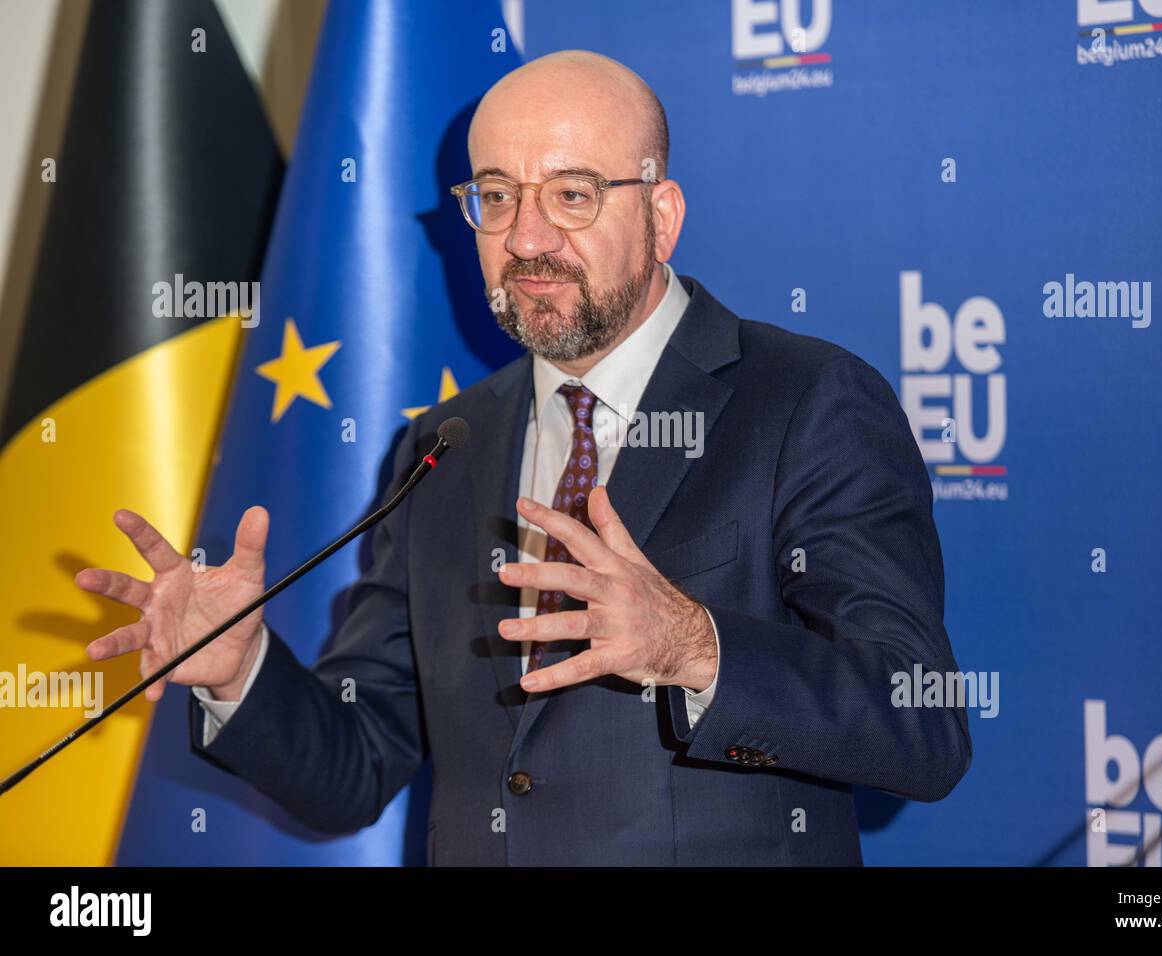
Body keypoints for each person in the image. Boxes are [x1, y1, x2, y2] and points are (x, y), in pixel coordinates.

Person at [76, 50, 971, 865]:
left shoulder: (804, 400)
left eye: (572, 194)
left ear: (661, 216)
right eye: (497, 196)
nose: (528, 239)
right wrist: (242, 670)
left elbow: (921, 727)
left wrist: (693, 646)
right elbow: (357, 763)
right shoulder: (445, 447)